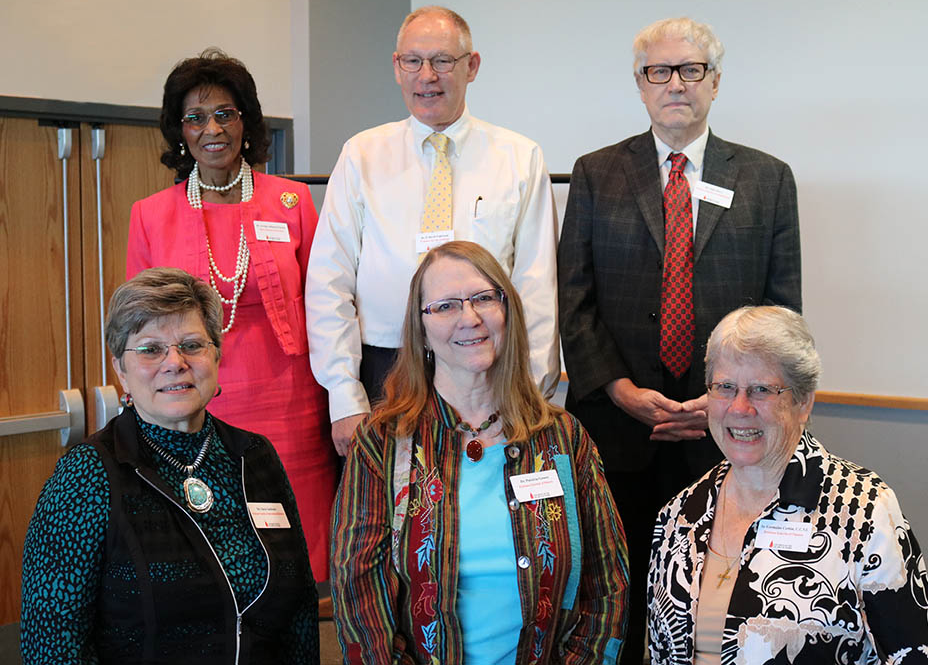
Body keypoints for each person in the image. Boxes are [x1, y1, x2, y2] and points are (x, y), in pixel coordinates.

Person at [556, 16, 801, 655]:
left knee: (723, 598)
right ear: (640, 85)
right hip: (617, 428)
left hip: (730, 430)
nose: (675, 84)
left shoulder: (767, 180)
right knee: (619, 592)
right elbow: (573, 299)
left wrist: (724, 399)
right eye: (659, 71)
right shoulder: (595, 173)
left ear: (715, 82)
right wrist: (620, 390)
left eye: (690, 70)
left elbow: (781, 316)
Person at [330, 241, 628, 664]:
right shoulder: (381, 443)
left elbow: (608, 585)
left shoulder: (563, 438)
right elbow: (358, 597)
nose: (470, 319)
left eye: (484, 298)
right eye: (446, 306)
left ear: (508, 312)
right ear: (421, 329)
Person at [20, 267, 319, 664]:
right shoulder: (87, 475)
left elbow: (298, 608)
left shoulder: (253, 455)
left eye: (192, 344)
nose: (174, 362)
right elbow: (53, 646)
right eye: (149, 349)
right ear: (120, 369)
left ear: (217, 353)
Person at [306, 6, 560, 456]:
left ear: (472, 66)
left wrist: (530, 390)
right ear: (396, 67)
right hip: (384, 369)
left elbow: (536, 284)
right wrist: (343, 396)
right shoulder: (361, 155)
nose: (428, 76)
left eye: (443, 61)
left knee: (483, 512)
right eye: (413, 61)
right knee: (391, 515)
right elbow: (329, 281)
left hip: (489, 367)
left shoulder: (519, 158)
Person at [126, 48, 337, 581]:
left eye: (225, 113)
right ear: (179, 130)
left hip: (292, 408)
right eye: (195, 117)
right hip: (190, 406)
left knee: (298, 564)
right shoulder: (150, 215)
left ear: (246, 121)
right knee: (210, 561)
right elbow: (135, 327)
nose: (211, 128)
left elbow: (328, 307)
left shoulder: (292, 202)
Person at [647, 306, 928, 663]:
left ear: (803, 402)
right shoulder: (679, 515)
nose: (739, 408)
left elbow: (911, 655)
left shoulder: (864, 511)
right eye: (725, 387)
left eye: (761, 390)